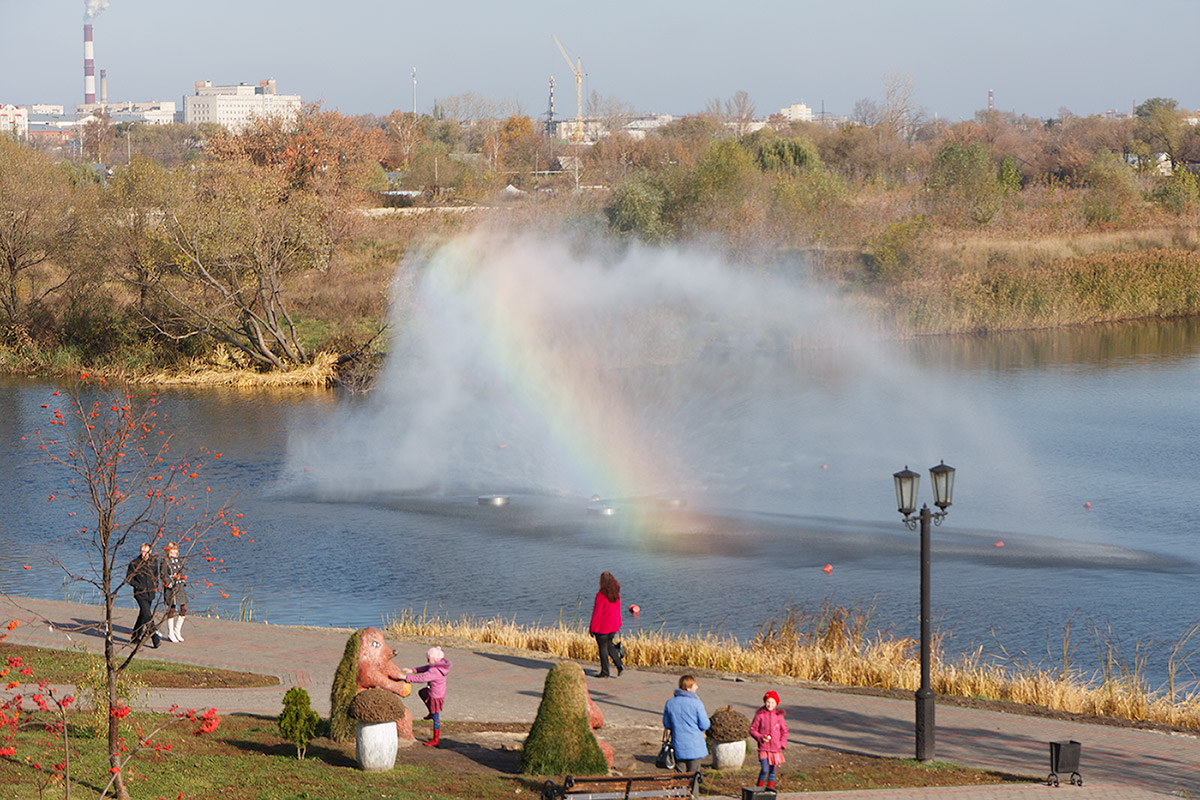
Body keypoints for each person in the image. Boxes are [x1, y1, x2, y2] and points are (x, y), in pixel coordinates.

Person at [403, 645, 452, 747]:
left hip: (435, 696)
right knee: (422, 692)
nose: (427, 659)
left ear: (433, 659)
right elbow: (426, 668)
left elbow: (422, 679)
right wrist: (413, 670)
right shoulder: (439, 665)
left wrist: (407, 678)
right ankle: (431, 712)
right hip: (436, 692)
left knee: (436, 718)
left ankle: (436, 739)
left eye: (428, 658)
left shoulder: (434, 671)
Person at [662, 674, 710, 773]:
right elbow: (704, 725)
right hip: (695, 746)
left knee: (680, 776)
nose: (697, 687)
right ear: (688, 687)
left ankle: (680, 788)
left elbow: (666, 724)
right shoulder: (697, 703)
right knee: (694, 776)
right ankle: (693, 789)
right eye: (695, 685)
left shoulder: (670, 703)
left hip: (678, 744)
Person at [750, 689, 789, 790]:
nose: (770, 704)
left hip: (776, 748)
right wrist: (760, 738)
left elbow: (784, 731)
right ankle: (759, 788)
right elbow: (752, 729)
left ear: (776, 703)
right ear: (764, 702)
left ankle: (770, 789)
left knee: (773, 770)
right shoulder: (760, 715)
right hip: (764, 748)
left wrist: (782, 744)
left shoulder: (779, 716)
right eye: (768, 701)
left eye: (772, 702)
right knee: (764, 769)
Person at [125, 542, 162, 648]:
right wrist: (138, 586)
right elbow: (129, 578)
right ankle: (154, 637)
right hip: (140, 593)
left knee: (143, 614)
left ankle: (135, 636)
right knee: (148, 615)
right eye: (142, 551)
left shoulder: (153, 561)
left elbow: (156, 574)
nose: (143, 554)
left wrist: (155, 584)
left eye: (146, 552)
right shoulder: (135, 563)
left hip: (150, 592)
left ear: (150, 552)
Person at [588, 571, 624, 678]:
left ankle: (605, 671)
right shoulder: (616, 595)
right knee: (609, 645)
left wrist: (592, 628)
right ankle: (619, 664)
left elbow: (597, 613)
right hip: (613, 625)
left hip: (603, 626)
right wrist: (619, 623)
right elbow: (618, 610)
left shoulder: (601, 595)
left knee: (603, 648)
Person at [162, 542, 188, 643]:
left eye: (175, 549)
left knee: (184, 608)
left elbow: (181, 571)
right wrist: (169, 583)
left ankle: (177, 630)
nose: (174, 551)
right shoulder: (165, 561)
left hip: (179, 587)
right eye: (172, 549)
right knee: (171, 609)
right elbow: (163, 575)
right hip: (170, 588)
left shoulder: (179, 560)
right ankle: (170, 633)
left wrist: (182, 579)